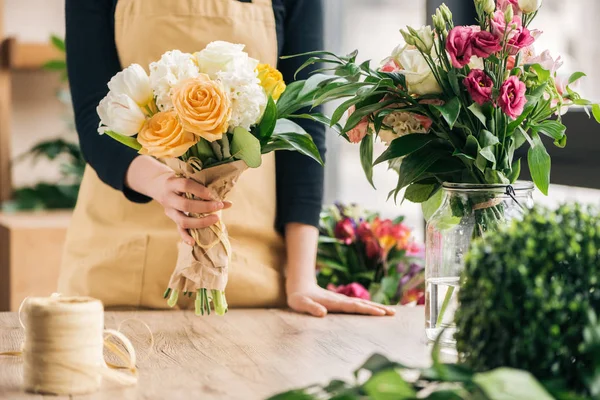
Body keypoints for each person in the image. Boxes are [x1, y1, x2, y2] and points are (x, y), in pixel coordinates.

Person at [59, 0, 395, 318]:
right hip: (120, 264)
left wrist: (302, 279)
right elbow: (95, 116)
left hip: (251, 272)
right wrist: (162, 184)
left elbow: (303, 125)